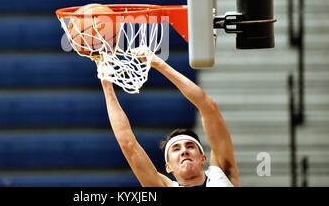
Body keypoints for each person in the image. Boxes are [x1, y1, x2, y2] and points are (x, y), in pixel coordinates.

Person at [100, 54, 240, 187]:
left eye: (190, 146)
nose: (184, 151)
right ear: (168, 167)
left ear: (203, 158)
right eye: (176, 149)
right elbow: (128, 144)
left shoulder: (221, 174)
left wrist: (159, 64)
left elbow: (208, 107)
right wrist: (107, 86)